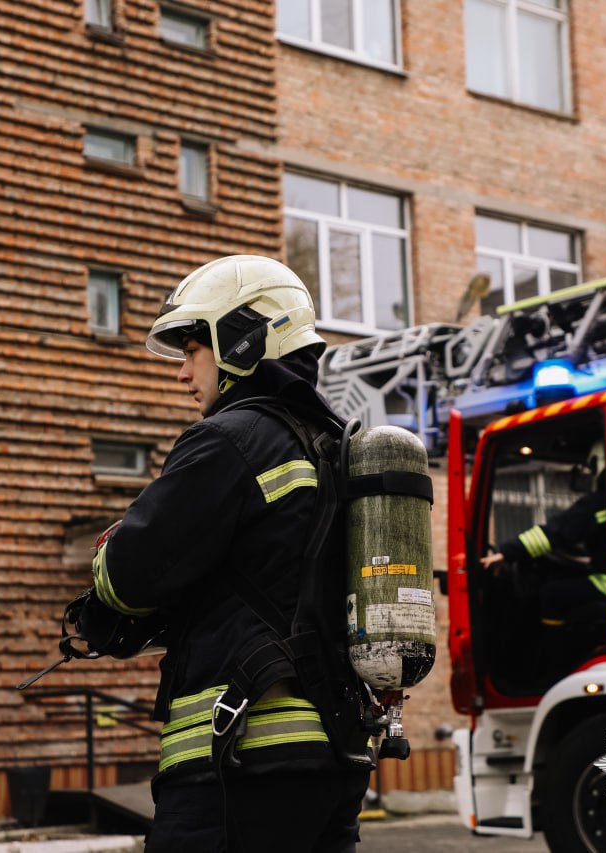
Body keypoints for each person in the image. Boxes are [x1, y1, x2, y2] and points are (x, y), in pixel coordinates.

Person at [89, 255, 373, 852]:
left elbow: (129, 575)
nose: (182, 374)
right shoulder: (336, 448)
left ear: (241, 340)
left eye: (192, 350)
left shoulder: (228, 440)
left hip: (241, 755)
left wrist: (107, 557)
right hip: (335, 756)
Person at [480, 440, 606, 678]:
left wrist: (508, 552)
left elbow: (554, 533)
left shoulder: (598, 503)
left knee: (552, 595)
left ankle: (555, 665)